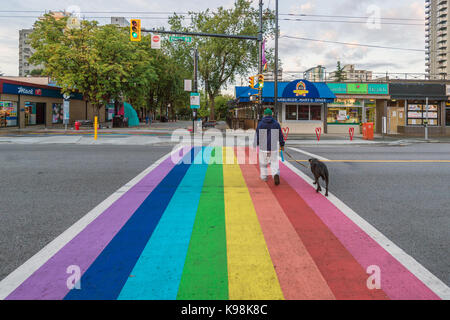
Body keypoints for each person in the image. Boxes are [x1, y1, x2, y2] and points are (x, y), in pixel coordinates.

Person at [255, 108, 285, 185]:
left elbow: (257, 136)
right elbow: (280, 135)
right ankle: (275, 174)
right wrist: (282, 144)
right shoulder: (276, 123)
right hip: (273, 147)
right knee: (274, 162)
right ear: (272, 114)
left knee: (263, 163)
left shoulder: (260, 124)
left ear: (264, 115)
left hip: (263, 147)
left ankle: (264, 176)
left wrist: (257, 143)